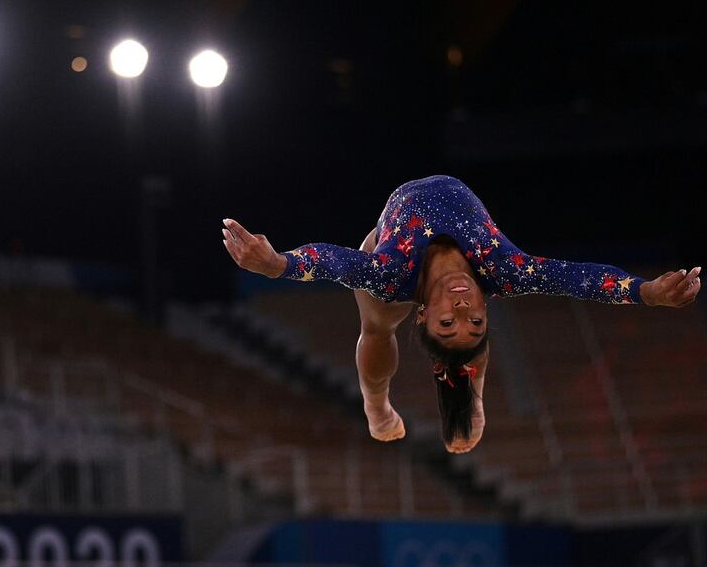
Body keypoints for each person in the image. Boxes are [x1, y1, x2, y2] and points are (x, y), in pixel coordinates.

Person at [221, 175, 701, 453]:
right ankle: (396, 403)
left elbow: (334, 261)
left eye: (447, 321)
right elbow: (574, 278)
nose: (465, 307)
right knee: (421, 333)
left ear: (424, 314)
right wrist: (643, 292)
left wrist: (278, 263)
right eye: (474, 318)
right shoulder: (501, 269)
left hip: (386, 251)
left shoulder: (392, 275)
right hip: (409, 245)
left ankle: (410, 400)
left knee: (375, 319)